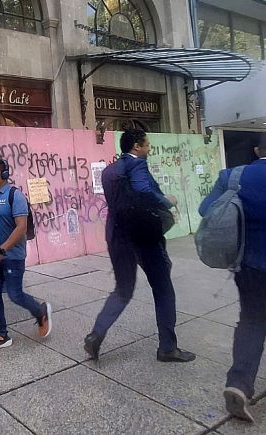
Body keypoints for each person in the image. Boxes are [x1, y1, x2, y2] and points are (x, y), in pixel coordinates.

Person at [199, 129, 266, 422]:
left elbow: (206, 210)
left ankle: (238, 384)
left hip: (250, 267)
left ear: (257, 152)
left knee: (252, 323)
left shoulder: (232, 177)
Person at [83, 129, 196, 363]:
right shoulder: (137, 165)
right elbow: (144, 190)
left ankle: (96, 335)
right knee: (163, 289)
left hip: (117, 237)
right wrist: (167, 201)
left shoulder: (108, 171)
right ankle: (167, 348)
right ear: (136, 146)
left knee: (123, 289)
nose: (148, 148)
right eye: (146, 144)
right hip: (144, 237)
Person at [0, 158, 52, 351]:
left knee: (15, 294)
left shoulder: (14, 196)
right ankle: (1, 335)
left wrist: (2, 250)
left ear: (4, 174)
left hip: (12, 257)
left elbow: (21, 227)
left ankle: (41, 311)